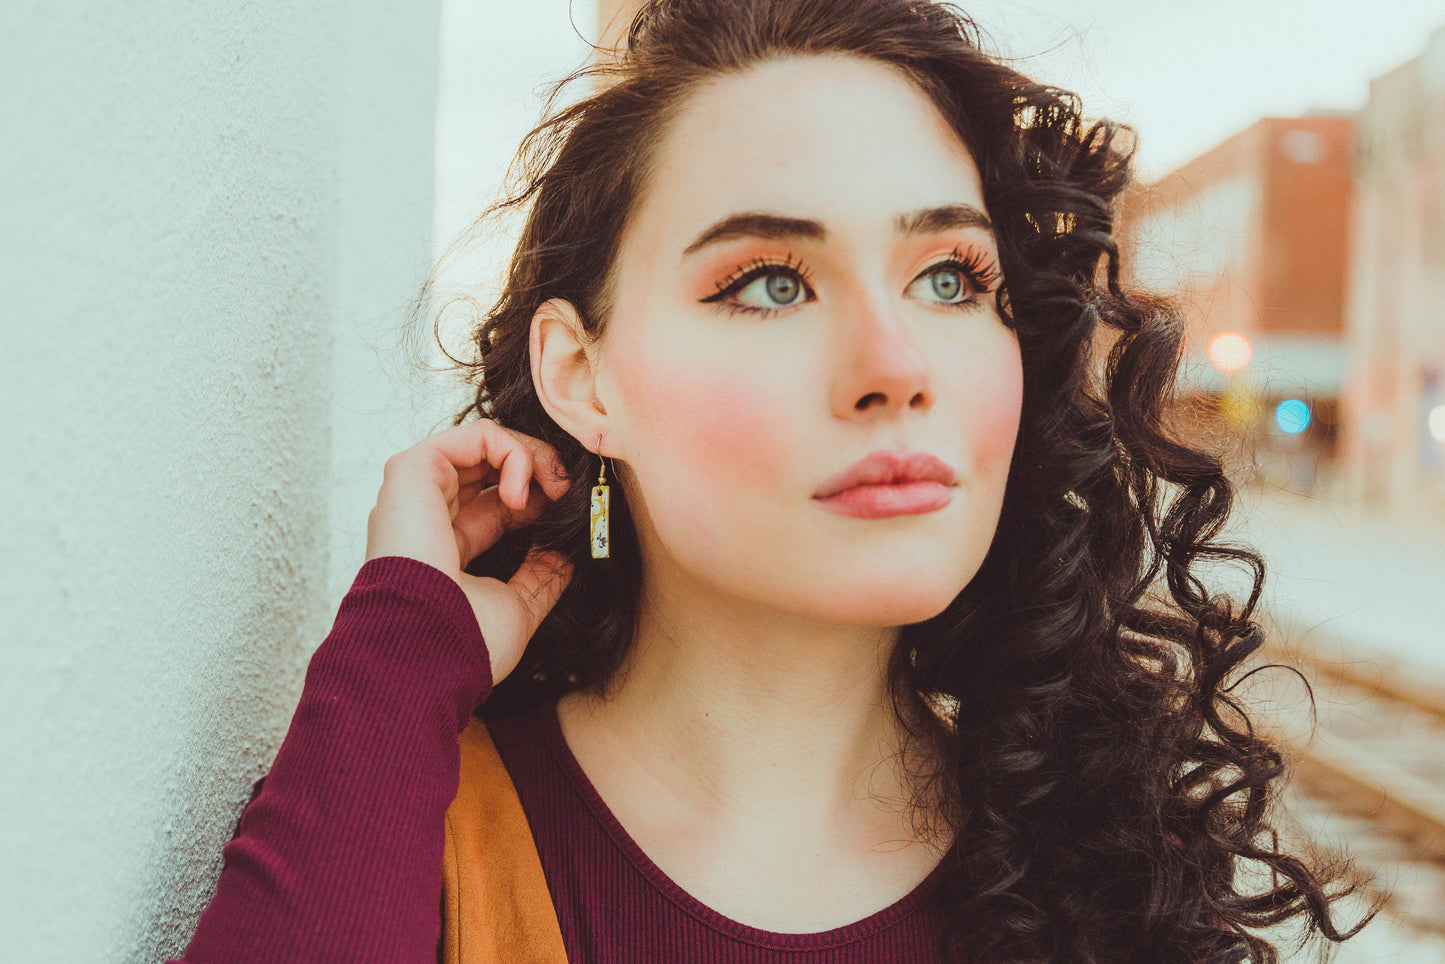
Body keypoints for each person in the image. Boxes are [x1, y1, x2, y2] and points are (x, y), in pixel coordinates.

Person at [174, 1, 1376, 961]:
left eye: (950, 278)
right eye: (769, 282)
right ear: (582, 378)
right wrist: (401, 649)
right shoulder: (412, 838)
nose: (894, 366)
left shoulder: (1111, 881)